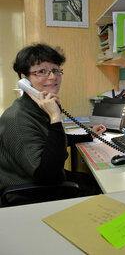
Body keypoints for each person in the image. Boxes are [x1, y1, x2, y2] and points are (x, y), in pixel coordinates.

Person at [0, 43, 106, 204]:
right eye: (42, 71)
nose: (53, 77)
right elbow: (47, 175)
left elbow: (46, 140)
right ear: (24, 80)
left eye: (56, 70)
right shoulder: (17, 118)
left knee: (98, 179)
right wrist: (55, 118)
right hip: (30, 193)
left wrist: (88, 136)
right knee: (104, 188)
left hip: (43, 180)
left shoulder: (34, 108)